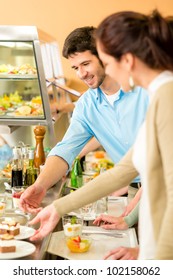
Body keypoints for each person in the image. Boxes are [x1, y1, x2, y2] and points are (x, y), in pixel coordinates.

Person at [20, 26, 149, 243]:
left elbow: (161, 163)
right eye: (75, 67)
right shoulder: (88, 104)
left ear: (104, 56)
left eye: (86, 64)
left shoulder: (145, 91)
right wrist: (40, 185)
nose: (81, 74)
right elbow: (66, 150)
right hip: (133, 188)